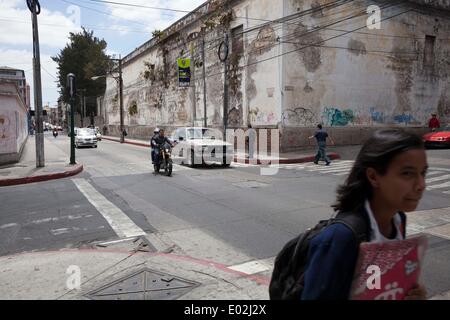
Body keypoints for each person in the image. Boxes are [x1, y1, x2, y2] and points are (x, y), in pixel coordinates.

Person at [300, 128, 428, 300]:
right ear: (373, 177)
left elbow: (377, 285)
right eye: (407, 173)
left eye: (423, 173)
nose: (421, 184)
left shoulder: (398, 220)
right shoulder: (341, 237)